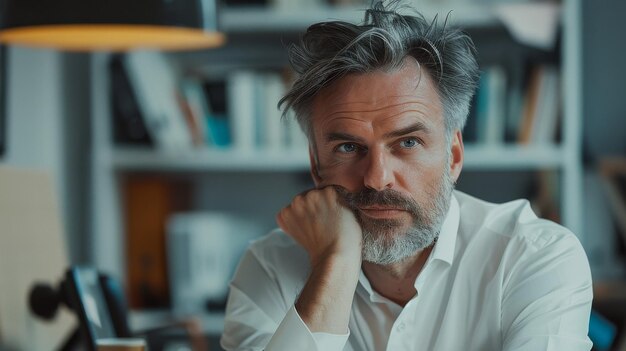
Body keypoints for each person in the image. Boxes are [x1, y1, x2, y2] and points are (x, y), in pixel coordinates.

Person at [220, 2, 593, 350]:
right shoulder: (269, 267)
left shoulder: (534, 256)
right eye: (348, 148)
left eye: (408, 142)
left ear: (454, 155)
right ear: (316, 165)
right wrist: (335, 261)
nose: (376, 178)